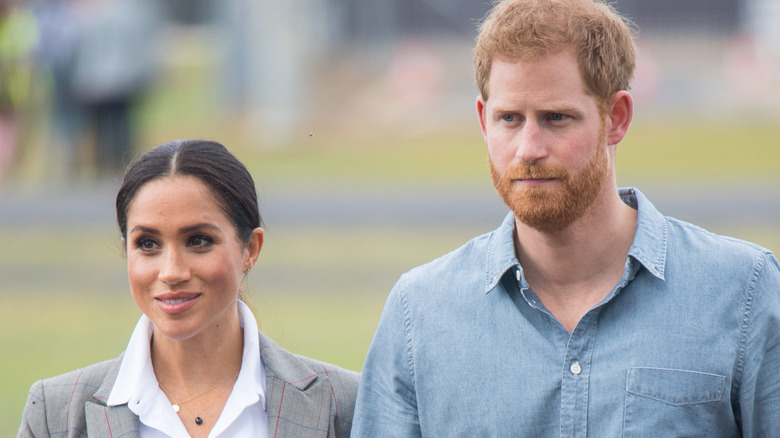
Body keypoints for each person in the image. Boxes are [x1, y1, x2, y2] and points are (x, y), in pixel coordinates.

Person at [351, 0, 780, 436]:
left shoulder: (742, 292)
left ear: (616, 118)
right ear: (483, 121)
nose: (528, 149)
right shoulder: (419, 313)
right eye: (509, 119)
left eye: (556, 118)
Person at [18, 139, 359, 437]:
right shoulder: (57, 415)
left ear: (250, 249)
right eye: (148, 244)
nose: (172, 272)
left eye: (198, 240)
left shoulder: (345, 405)